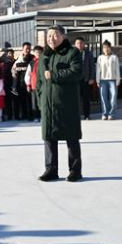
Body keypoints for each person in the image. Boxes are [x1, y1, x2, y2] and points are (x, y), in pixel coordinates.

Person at [37, 25, 83, 182]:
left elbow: (77, 72)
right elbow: (39, 82)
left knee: (71, 137)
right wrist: (41, 100)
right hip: (48, 105)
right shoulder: (44, 56)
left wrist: (54, 75)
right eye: (49, 36)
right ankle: (51, 170)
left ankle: (75, 171)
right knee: (49, 138)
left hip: (67, 104)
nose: (51, 38)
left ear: (63, 36)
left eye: (55, 35)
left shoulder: (72, 52)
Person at [96, 41, 120, 120]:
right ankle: (104, 113)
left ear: (110, 48)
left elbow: (117, 69)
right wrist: (97, 80)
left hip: (113, 80)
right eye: (104, 47)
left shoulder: (114, 57)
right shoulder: (100, 58)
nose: (106, 49)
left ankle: (111, 114)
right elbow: (98, 70)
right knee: (103, 98)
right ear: (102, 49)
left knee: (113, 98)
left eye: (107, 47)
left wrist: (118, 80)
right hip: (103, 80)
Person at [74, 37, 97, 120]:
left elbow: (92, 66)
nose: (79, 45)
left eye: (81, 43)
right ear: (75, 44)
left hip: (86, 79)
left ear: (84, 44)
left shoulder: (88, 53)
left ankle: (87, 115)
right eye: (77, 43)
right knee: (75, 99)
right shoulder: (72, 53)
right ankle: (76, 115)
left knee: (86, 99)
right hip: (75, 80)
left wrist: (92, 78)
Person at [12, 42, 34, 120]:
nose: (28, 50)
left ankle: (30, 115)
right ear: (22, 49)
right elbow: (13, 70)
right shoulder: (19, 59)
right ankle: (22, 115)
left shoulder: (33, 58)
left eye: (29, 48)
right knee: (21, 100)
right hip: (20, 83)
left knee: (30, 100)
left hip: (30, 83)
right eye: (26, 49)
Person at [24, 45, 44, 123]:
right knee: (34, 102)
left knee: (43, 101)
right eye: (36, 52)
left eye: (40, 52)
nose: (38, 54)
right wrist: (28, 84)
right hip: (34, 85)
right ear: (34, 53)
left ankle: (43, 116)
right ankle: (36, 116)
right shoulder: (31, 63)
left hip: (43, 85)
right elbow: (28, 74)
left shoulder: (45, 61)